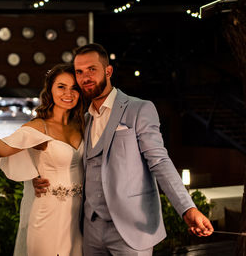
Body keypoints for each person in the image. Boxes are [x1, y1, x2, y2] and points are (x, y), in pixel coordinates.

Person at [33, 43, 214, 255]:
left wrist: (187, 209)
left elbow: (159, 161)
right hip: (90, 230)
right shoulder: (84, 120)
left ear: (108, 71)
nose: (85, 78)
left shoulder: (139, 109)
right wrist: (39, 178)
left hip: (132, 228)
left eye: (92, 69)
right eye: (79, 72)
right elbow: (72, 162)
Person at [0, 63, 85, 256]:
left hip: (77, 219)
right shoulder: (40, 126)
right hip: (47, 216)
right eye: (61, 87)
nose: (68, 93)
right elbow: (4, 149)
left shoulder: (82, 125)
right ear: (50, 91)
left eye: (74, 88)